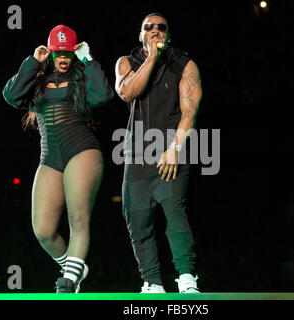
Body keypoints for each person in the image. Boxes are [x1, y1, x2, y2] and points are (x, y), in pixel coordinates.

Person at [3, 25, 114, 293]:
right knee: (43, 229)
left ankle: (69, 280)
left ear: (73, 52)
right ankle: (74, 266)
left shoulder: (81, 76)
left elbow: (103, 96)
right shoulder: (39, 78)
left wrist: (89, 60)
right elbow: (11, 95)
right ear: (50, 53)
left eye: (67, 53)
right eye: (58, 53)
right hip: (50, 157)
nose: (63, 58)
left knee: (78, 219)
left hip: (82, 151)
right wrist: (32, 62)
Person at [115, 13, 202, 293]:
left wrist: (175, 148)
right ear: (139, 35)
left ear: (168, 34)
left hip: (170, 151)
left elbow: (190, 111)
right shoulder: (126, 63)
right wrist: (151, 58)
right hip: (137, 153)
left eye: (160, 27)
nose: (154, 31)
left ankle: (187, 277)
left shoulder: (184, 64)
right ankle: (152, 281)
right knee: (137, 217)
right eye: (148, 27)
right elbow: (128, 93)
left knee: (174, 212)